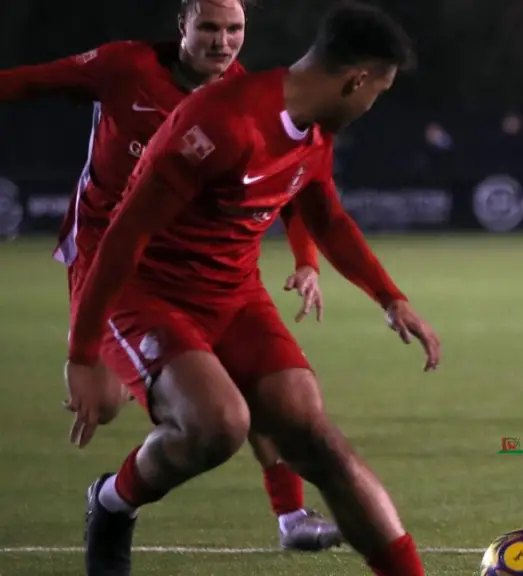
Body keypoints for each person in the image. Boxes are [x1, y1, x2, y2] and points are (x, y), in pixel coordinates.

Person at [64, 2, 439, 574]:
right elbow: (122, 238)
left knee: (315, 435)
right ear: (355, 80)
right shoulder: (221, 122)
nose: (371, 105)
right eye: (377, 92)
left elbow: (326, 216)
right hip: (148, 294)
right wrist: (82, 354)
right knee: (219, 426)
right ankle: (112, 502)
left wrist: (391, 298)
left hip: (236, 296)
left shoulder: (313, 128)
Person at [0, 0, 345, 553]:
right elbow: (26, 82)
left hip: (198, 267)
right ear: (181, 26)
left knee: (257, 390)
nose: (222, 41)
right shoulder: (124, 69)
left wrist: (306, 258)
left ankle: (292, 515)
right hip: (112, 258)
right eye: (208, 27)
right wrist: (80, 356)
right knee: (108, 405)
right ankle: (120, 464)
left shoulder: (244, 96)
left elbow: (289, 183)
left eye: (233, 29)